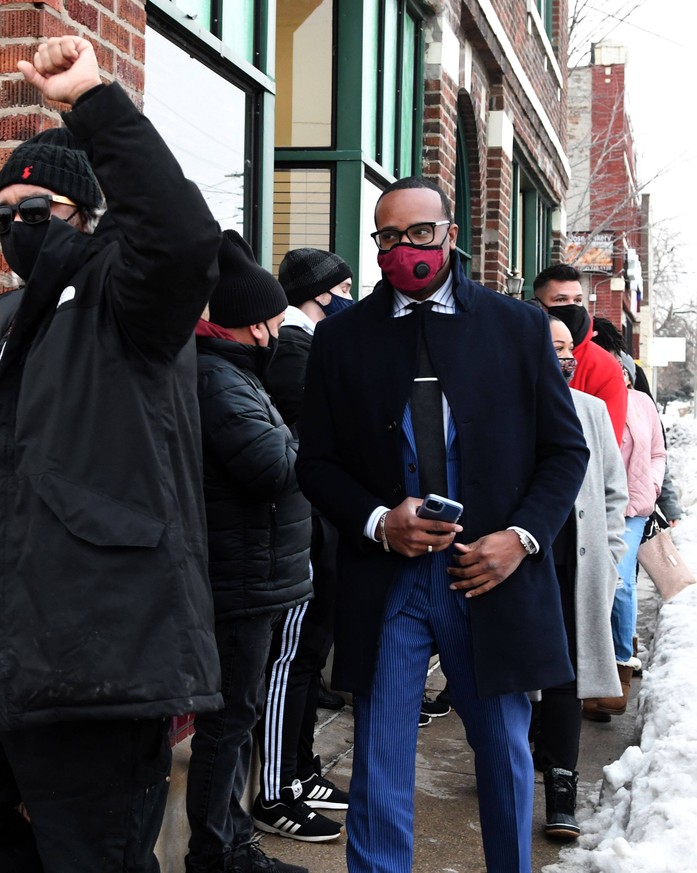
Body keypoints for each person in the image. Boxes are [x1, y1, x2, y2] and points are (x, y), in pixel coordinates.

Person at [0, 37, 223, 873]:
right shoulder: (0, 324)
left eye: (36, 210)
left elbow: (181, 237)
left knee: (94, 851)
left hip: (97, 645)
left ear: (85, 214)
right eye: (2, 214)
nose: (16, 227)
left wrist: (93, 101)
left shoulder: (127, 299)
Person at [296, 176, 590, 873]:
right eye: (389, 237)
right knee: (379, 760)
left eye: (420, 233)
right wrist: (375, 520)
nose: (406, 249)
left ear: (449, 235)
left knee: (503, 751)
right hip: (388, 581)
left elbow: (563, 450)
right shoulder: (340, 338)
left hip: (488, 575)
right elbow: (316, 463)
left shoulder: (516, 326)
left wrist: (518, 539)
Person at [186, 230, 315, 873]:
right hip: (240, 576)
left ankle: (229, 838)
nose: (278, 328)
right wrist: (302, 437)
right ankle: (217, 850)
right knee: (230, 720)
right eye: (269, 317)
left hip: (254, 571)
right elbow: (274, 466)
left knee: (237, 715)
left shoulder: (236, 374)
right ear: (248, 323)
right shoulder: (218, 379)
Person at [252, 248, 353, 844]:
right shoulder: (294, 350)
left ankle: (298, 767)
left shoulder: (311, 345)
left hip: (320, 524)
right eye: (340, 286)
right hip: (302, 528)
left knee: (308, 658)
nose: (348, 295)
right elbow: (308, 440)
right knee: (290, 660)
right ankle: (277, 786)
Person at [532, 311, 628, 841]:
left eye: (569, 347)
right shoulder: (505, 411)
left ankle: (561, 794)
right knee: (523, 678)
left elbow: (614, 494)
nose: (564, 356)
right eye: (553, 346)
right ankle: (518, 762)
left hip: (577, 566)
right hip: (522, 567)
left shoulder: (590, 411)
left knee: (566, 677)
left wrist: (610, 558)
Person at [583, 352, 665, 720]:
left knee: (619, 583)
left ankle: (619, 667)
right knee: (591, 584)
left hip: (633, 508)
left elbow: (659, 452)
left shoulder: (643, 403)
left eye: (622, 371)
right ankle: (589, 670)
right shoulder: (592, 404)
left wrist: (654, 483)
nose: (619, 376)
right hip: (592, 507)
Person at [532, 264, 628, 444]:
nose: (572, 308)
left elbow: (606, 444)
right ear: (538, 304)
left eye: (577, 300)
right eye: (560, 300)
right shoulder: (515, 351)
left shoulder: (604, 367)